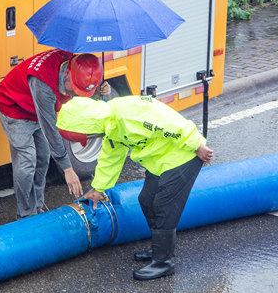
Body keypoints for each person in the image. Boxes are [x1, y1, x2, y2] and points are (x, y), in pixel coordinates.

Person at [56, 95, 214, 280]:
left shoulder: (128, 115)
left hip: (184, 154)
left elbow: (167, 120)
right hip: (161, 158)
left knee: (163, 205)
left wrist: (196, 144)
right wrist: (98, 189)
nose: (90, 139)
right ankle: (158, 249)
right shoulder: (111, 126)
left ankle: (164, 262)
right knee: (146, 199)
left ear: (88, 124)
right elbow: (111, 157)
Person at [0, 49, 108, 220]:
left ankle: (37, 207)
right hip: (14, 108)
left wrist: (100, 93)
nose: (75, 94)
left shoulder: (75, 63)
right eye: (75, 89)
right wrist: (67, 168)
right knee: (27, 160)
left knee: (43, 157)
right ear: (67, 76)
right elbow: (50, 128)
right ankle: (26, 215)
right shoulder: (43, 84)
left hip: (37, 109)